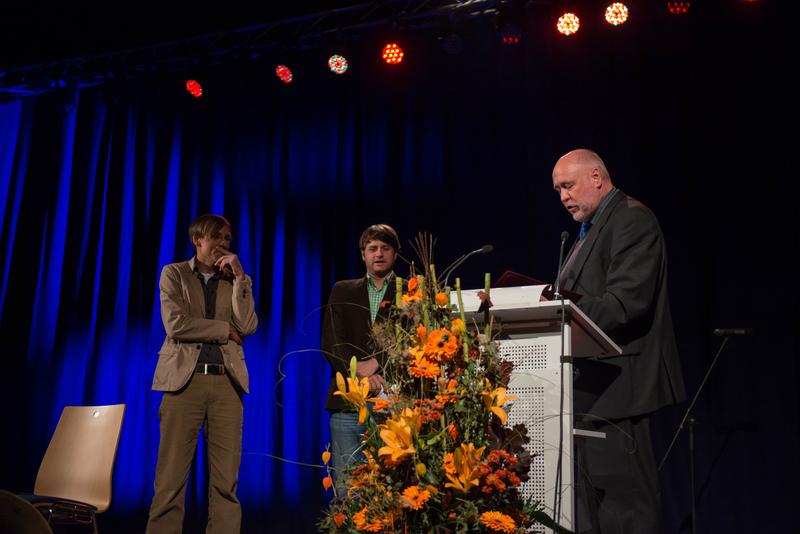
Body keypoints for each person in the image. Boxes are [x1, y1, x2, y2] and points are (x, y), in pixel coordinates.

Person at [551, 149, 685, 534]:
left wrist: (560, 308)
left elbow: (627, 304)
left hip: (622, 387)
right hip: (591, 391)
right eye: (557, 189)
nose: (562, 196)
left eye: (568, 185)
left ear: (596, 177)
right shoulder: (591, 228)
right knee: (593, 515)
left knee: (626, 513)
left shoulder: (630, 218)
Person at [146, 214, 258, 534]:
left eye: (228, 239)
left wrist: (240, 279)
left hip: (227, 383)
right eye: (218, 238)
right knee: (169, 482)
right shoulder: (174, 274)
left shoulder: (236, 279)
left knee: (226, 484)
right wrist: (224, 329)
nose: (224, 244)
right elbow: (176, 325)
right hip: (184, 383)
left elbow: (248, 325)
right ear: (199, 240)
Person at [321, 224, 400, 492]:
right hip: (348, 405)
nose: (379, 254)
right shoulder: (343, 290)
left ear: (395, 254)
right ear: (363, 255)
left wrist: (378, 364)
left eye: (385, 248)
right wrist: (360, 370)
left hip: (395, 404)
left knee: (392, 488)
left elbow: (414, 339)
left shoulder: (410, 290)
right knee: (348, 488)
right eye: (373, 248)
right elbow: (331, 341)